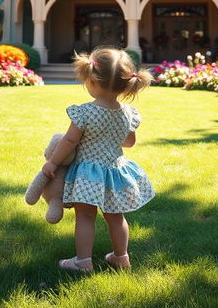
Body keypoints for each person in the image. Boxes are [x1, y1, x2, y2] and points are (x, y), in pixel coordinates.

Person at [42, 47, 154, 272]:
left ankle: (83, 262)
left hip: (87, 173)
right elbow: (129, 142)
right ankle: (121, 257)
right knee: (115, 216)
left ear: (92, 82)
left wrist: (53, 161)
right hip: (114, 171)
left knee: (85, 217)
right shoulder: (128, 113)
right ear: (125, 85)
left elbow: (69, 141)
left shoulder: (85, 113)